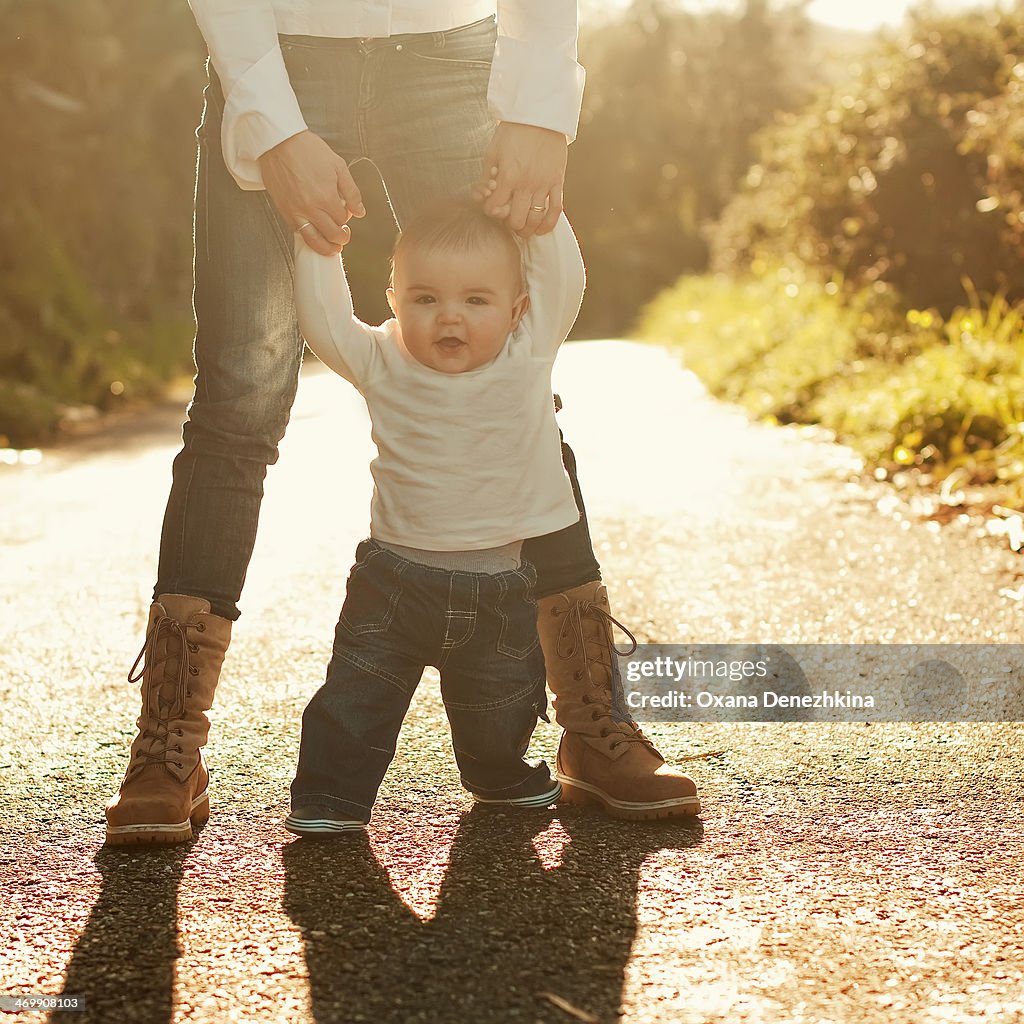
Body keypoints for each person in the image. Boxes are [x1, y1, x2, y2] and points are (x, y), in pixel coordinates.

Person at [104, 0, 700, 846]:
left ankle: (592, 721)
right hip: (278, 54)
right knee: (237, 404)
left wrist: (538, 106)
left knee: (509, 378)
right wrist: (272, 124)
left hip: (451, 52)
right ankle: (169, 746)